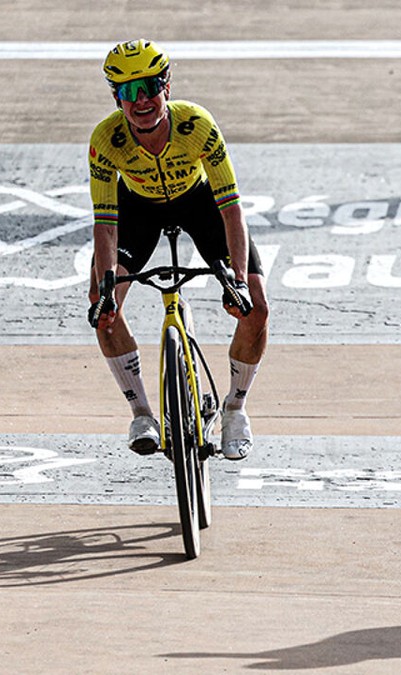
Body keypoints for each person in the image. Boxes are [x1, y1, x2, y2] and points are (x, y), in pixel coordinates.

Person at [87, 39, 269, 461]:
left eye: (150, 86)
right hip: (137, 209)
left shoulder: (197, 124)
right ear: (116, 97)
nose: (141, 100)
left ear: (166, 86)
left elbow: (231, 208)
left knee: (256, 308)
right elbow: (106, 223)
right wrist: (108, 288)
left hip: (199, 203)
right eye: (129, 91)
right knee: (102, 308)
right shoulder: (106, 139)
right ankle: (141, 414)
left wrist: (239, 282)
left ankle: (235, 409)